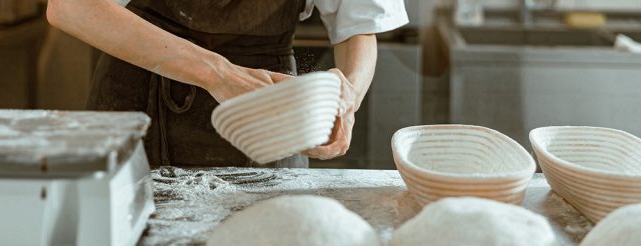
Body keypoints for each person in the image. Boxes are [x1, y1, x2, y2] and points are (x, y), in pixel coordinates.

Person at [47, 0, 408, 168]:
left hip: (269, 113)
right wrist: (218, 74)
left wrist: (349, 94)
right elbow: (72, 7)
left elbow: (359, 24)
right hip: (141, 95)